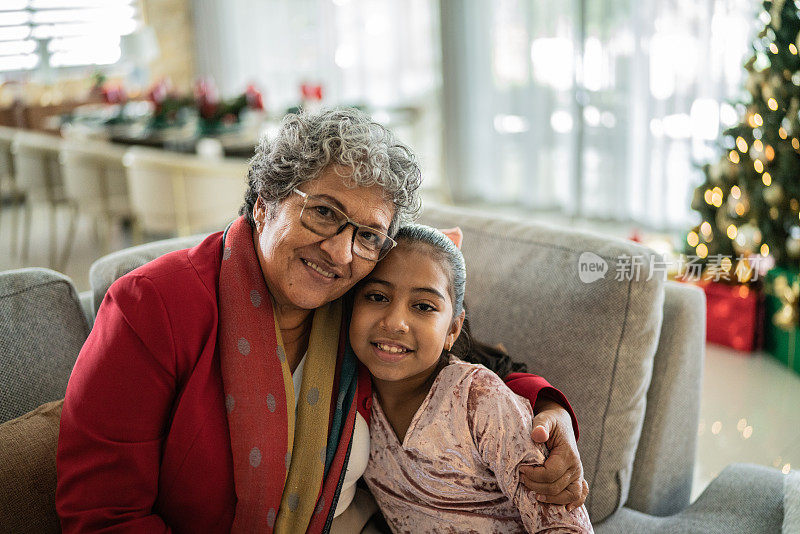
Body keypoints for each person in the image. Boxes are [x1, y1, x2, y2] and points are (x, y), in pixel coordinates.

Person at [56, 107, 587, 533]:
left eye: (367, 234)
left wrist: (547, 411)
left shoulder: (355, 302)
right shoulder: (153, 306)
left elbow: (459, 361)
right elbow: (104, 513)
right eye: (325, 212)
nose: (339, 251)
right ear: (265, 202)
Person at [350, 224, 593, 533]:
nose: (396, 322)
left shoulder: (478, 397)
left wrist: (552, 408)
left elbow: (565, 524)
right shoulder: (348, 395)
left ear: (453, 329)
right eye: (376, 296)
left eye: (423, 306)